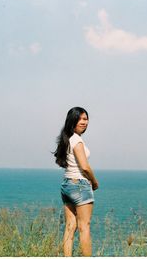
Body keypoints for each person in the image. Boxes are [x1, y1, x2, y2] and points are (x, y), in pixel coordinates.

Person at [53, 107, 99, 256]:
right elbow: (85, 167)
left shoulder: (67, 139)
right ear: (73, 120)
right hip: (80, 185)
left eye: (86, 119)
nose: (84, 122)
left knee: (69, 227)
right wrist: (94, 182)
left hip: (67, 185)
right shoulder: (77, 141)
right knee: (84, 227)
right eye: (81, 119)